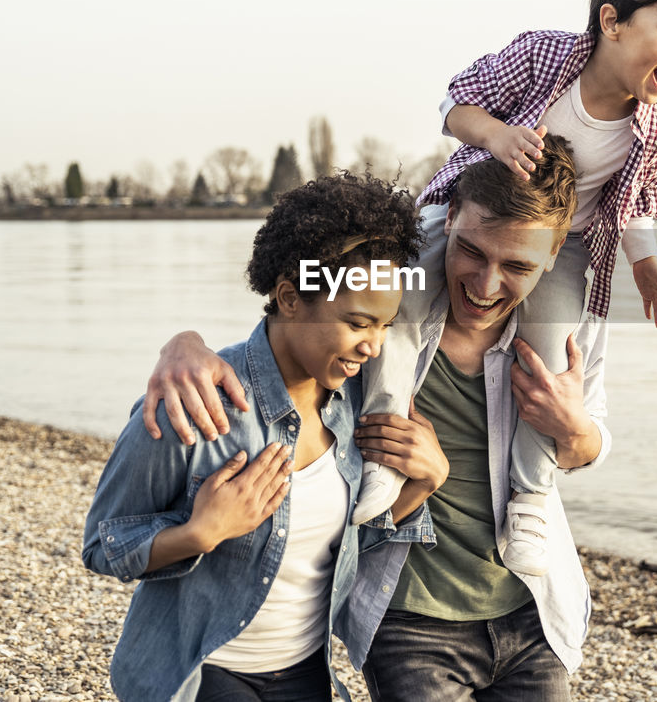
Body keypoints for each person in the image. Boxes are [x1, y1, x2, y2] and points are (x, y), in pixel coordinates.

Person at [147, 136, 610, 700]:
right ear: (448, 217)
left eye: (516, 265)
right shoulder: (392, 298)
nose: (485, 286)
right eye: (470, 251)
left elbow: (589, 447)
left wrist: (573, 426)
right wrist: (184, 344)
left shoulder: (568, 326)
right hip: (409, 616)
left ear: (554, 252)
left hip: (532, 608)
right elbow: (293, 316)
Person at [351, 0, 657, 558]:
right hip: (465, 212)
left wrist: (647, 263)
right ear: (612, 22)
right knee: (400, 306)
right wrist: (496, 137)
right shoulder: (543, 57)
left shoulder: (656, 127)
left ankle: (528, 498)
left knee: (552, 364)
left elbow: (638, 201)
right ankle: (386, 448)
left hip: (566, 248)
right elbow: (457, 103)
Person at [81, 172, 424, 702]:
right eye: (358, 323)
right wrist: (200, 533)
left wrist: (423, 485)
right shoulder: (195, 403)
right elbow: (103, 544)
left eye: (385, 326)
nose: (373, 347)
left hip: (306, 676)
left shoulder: (357, 405)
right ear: (290, 296)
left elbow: (346, 542)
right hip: (201, 675)